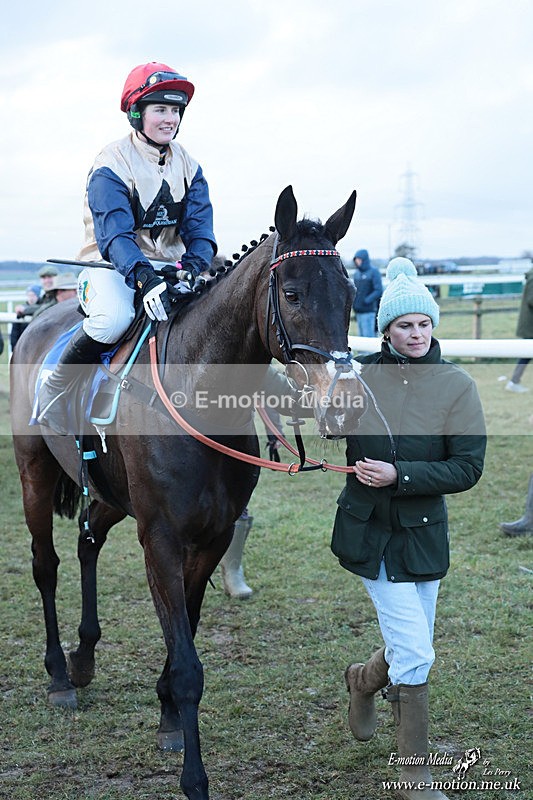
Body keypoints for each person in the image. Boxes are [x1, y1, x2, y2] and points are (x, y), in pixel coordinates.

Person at [332, 257, 486, 799]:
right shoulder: (359, 377)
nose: (415, 333)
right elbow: (327, 426)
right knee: (417, 653)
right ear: (387, 330)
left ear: (432, 325)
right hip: (370, 534)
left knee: (411, 648)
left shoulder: (457, 387)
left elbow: (468, 467)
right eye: (404, 325)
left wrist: (402, 474)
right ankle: (412, 779)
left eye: (423, 323)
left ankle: (361, 681)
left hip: (424, 536)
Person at [37, 61, 217, 434]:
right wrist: (144, 278)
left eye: (175, 111)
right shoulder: (111, 164)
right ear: (137, 114)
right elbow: (114, 236)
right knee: (113, 319)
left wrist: (194, 267)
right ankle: (55, 389)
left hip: (170, 266)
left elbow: (200, 229)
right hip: (112, 267)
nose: (170, 119)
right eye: (160, 110)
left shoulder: (191, 166)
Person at [505, 262, 532, 393]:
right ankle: (514, 381)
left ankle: (514, 381)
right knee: (525, 354)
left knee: (526, 354)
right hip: (530, 324)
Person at [352, 249, 383, 338]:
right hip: (358, 311)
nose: (357, 262)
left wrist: (366, 301)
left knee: (368, 337)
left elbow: (378, 290)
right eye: (356, 260)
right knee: (360, 337)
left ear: (364, 259)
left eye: (359, 259)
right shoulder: (356, 273)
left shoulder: (374, 272)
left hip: (369, 311)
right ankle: (362, 353)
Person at [10, 284, 41, 350]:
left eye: (33, 295)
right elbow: (14, 334)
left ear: (38, 296)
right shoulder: (20, 310)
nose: (31, 298)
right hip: (23, 347)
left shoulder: (42, 309)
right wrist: (14, 349)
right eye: (29, 295)